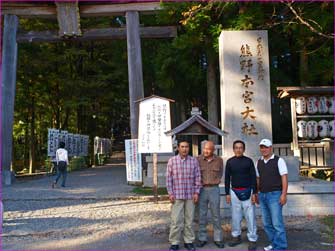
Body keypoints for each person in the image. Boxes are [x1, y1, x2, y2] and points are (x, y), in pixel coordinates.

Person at [166, 141, 201, 251]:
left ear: (189, 148)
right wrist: (170, 193)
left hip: (190, 195)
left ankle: (188, 241)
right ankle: (174, 242)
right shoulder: (172, 161)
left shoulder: (193, 161)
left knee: (189, 220)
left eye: (186, 147)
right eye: (182, 147)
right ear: (178, 148)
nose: (184, 149)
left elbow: (198, 177)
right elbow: (168, 179)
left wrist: (196, 192)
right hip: (177, 195)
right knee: (176, 221)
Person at [225, 140, 258, 250]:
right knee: (235, 217)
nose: (238, 149)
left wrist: (255, 192)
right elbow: (227, 178)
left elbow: (253, 177)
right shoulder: (230, 162)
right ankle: (236, 236)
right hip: (234, 192)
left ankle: (252, 239)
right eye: (236, 147)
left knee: (250, 217)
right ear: (233, 149)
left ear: (244, 149)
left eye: (240, 147)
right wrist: (227, 193)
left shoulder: (248, 161)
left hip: (248, 191)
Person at [256, 139, 288, 251]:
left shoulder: (279, 160)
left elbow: (284, 178)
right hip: (262, 195)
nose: (264, 149)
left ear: (271, 148)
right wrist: (256, 193)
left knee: (277, 223)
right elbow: (258, 179)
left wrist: (284, 194)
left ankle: (281, 247)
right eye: (262, 147)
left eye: (266, 147)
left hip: (275, 195)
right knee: (266, 223)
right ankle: (274, 243)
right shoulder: (259, 161)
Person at [196, 141, 224, 248]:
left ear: (213, 150)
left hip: (214, 189)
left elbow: (220, 173)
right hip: (202, 189)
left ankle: (218, 238)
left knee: (216, 214)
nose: (206, 151)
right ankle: (202, 238)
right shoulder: (197, 160)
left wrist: (214, 181)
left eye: (208, 149)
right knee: (202, 215)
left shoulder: (219, 160)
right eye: (204, 148)